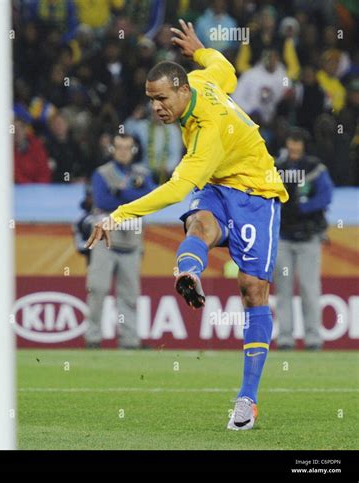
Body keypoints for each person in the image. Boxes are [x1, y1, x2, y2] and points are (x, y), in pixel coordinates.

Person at [85, 20, 288, 431]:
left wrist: (119, 214)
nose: (157, 108)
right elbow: (225, 69)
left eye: (162, 99)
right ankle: (190, 272)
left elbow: (176, 189)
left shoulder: (207, 132)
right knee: (198, 224)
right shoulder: (196, 79)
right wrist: (200, 49)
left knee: (253, 290)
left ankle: (247, 399)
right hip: (218, 185)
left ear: (180, 91)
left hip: (256, 192)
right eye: (151, 100)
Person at [85, 134, 156, 349]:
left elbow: (152, 197)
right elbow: (102, 200)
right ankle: (93, 338)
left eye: (127, 147)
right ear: (113, 149)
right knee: (97, 288)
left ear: (134, 150)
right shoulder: (102, 173)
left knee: (130, 294)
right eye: (119, 147)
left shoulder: (142, 173)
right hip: (105, 239)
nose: (123, 151)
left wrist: (120, 191)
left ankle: (130, 340)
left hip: (132, 242)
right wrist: (134, 195)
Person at [274, 128, 334, 351]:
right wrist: (282, 209)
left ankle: (313, 339)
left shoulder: (315, 167)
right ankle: (285, 339)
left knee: (310, 289)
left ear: (304, 145)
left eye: (298, 143)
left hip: (308, 237)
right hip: (282, 237)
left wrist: (301, 208)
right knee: (283, 290)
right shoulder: (276, 167)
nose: (295, 147)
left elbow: (326, 196)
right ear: (287, 143)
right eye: (292, 143)